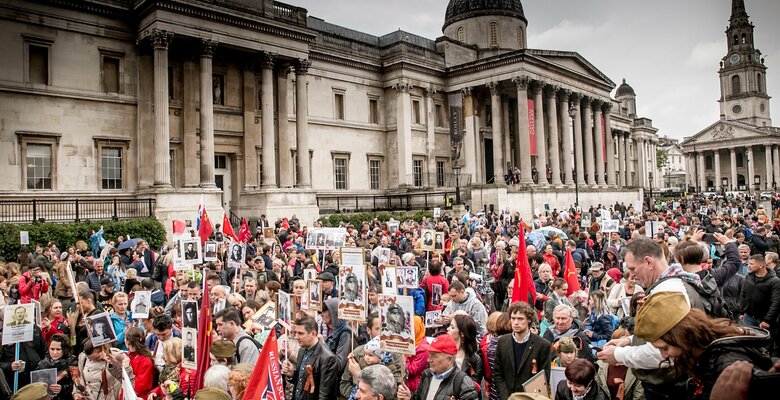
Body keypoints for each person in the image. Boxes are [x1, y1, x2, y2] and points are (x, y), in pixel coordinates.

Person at [634, 291, 775, 399]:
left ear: (682, 336)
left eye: (665, 348)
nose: (665, 355)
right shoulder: (703, 353)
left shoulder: (727, 364)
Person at [492, 302, 552, 400]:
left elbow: (543, 378)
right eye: (513, 318)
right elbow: (498, 373)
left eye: (520, 319)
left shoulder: (542, 345)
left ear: (529, 320)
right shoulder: (502, 342)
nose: (516, 322)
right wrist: (506, 397)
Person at [396, 334, 478, 400]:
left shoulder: (464, 384)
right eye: (429, 354)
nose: (428, 360)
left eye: (434, 356)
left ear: (449, 359)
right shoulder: (427, 375)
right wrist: (409, 397)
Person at [282, 315, 340, 400]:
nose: (296, 337)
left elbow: (324, 395)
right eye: (296, 333)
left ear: (313, 333)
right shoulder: (302, 350)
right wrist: (292, 374)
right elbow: (300, 381)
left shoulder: (328, 358)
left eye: (301, 333)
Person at [35, 334, 77, 400]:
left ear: (65, 349)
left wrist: (63, 388)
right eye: (52, 349)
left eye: (58, 349)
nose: (54, 352)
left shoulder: (73, 363)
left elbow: (78, 386)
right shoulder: (42, 364)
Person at [447, 314, 483, 387]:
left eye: (452, 327)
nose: (448, 329)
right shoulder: (441, 351)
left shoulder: (474, 359)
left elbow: (474, 387)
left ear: (462, 333)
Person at [125, 327, 155, 400]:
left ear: (128, 342)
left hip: (138, 397)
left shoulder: (145, 360)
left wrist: (127, 368)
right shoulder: (127, 355)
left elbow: (139, 387)